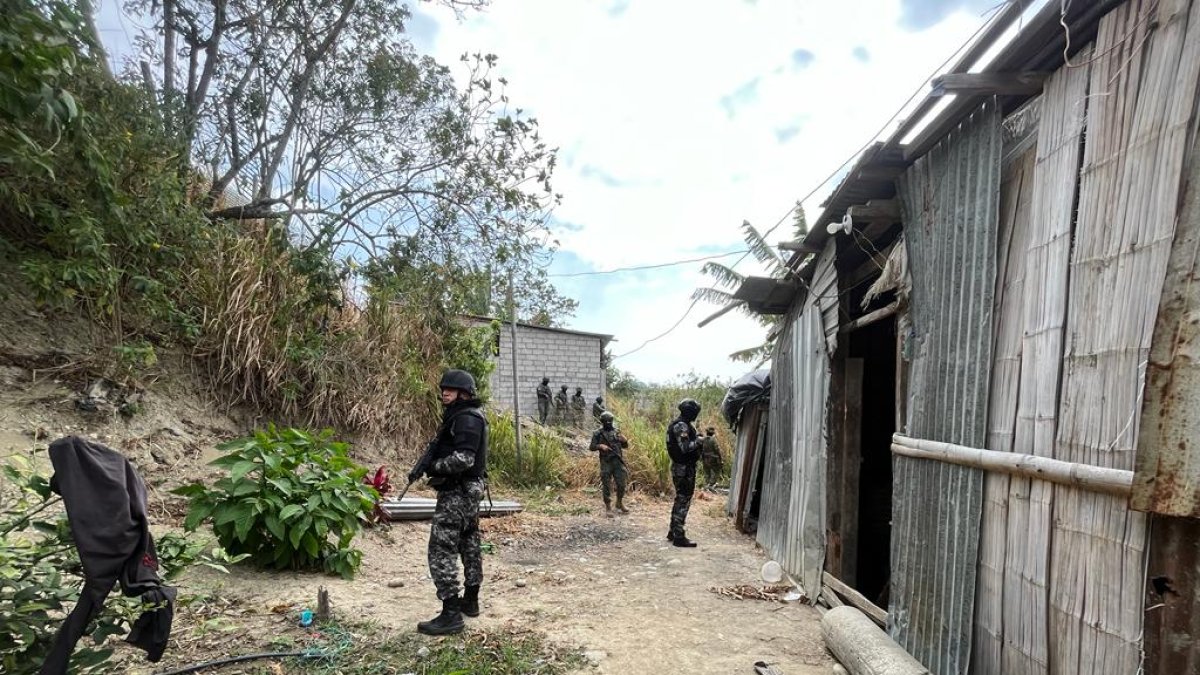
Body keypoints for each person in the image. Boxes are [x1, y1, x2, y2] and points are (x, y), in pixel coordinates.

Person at [409, 369, 488, 636]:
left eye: (451, 389)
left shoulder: (466, 417)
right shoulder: (466, 416)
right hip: (468, 491)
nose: (445, 392)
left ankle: (451, 613)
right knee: (469, 543)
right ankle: (471, 600)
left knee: (441, 549)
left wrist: (434, 467)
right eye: (444, 388)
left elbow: (464, 459)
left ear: (464, 393)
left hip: (458, 491)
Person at [665, 398, 703, 547]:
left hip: (681, 467)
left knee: (680, 499)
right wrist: (700, 441)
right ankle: (679, 536)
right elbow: (685, 448)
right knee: (683, 500)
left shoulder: (682, 424)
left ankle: (673, 531)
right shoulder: (681, 426)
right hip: (684, 468)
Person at [589, 411, 629, 516]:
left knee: (621, 484)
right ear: (602, 422)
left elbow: (625, 446)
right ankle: (608, 507)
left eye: (610, 421)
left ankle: (619, 503)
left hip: (618, 461)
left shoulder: (617, 431)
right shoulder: (598, 433)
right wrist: (600, 446)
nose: (609, 423)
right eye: (606, 422)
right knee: (606, 484)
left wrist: (625, 441)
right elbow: (592, 447)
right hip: (606, 462)